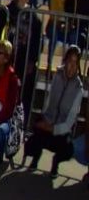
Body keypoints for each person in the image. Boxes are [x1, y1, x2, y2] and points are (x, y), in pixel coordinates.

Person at [23, 45, 83, 175]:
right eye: (69, 61)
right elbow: (49, 100)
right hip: (48, 120)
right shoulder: (57, 76)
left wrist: (52, 128)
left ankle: (56, 163)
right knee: (33, 140)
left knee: (68, 150)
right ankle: (35, 157)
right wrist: (44, 120)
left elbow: (70, 121)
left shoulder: (78, 88)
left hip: (60, 129)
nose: (72, 66)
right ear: (65, 61)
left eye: (75, 62)